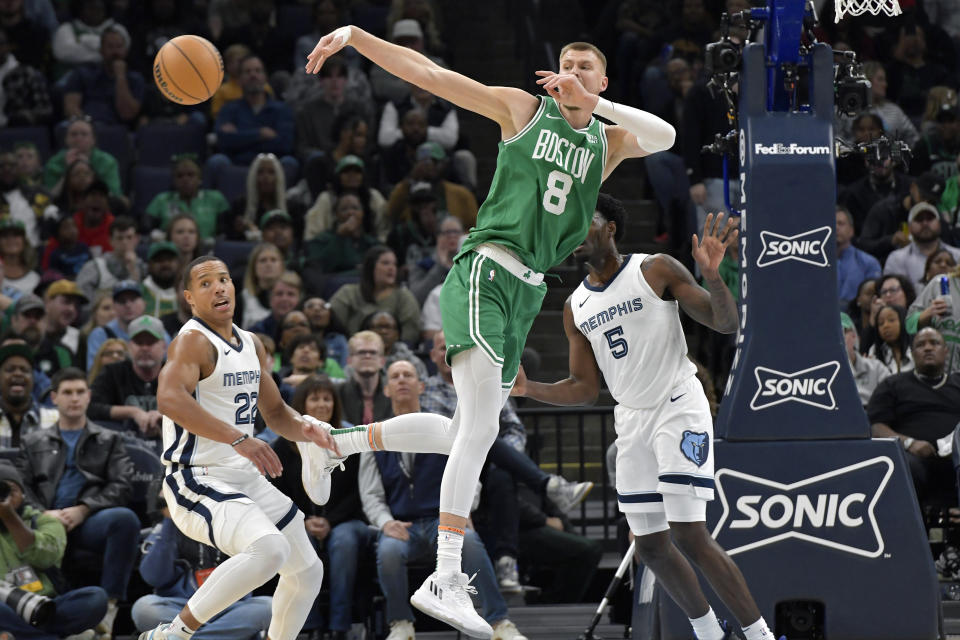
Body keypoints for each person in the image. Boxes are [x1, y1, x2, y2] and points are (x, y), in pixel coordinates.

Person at [306, 26, 673, 635]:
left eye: (585, 67)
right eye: (565, 64)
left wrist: (592, 103)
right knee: (478, 428)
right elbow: (431, 75)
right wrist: (355, 37)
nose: (572, 72)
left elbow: (666, 136)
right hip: (486, 269)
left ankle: (336, 444)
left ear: (604, 83)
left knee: (462, 434)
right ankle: (446, 575)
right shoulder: (524, 109)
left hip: (528, 289)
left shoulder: (608, 144)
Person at [513, 194, 781, 640]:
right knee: (652, 547)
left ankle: (759, 636)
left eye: (584, 223)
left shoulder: (654, 269)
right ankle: (710, 634)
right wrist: (528, 389)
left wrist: (713, 278)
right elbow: (583, 388)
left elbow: (725, 322)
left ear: (610, 228)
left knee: (689, 533)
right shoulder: (574, 306)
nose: (574, 234)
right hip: (632, 419)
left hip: (677, 404)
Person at [139, 255, 340, 640]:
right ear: (189, 298)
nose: (219, 287)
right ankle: (172, 635)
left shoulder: (251, 344)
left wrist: (307, 431)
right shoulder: (192, 342)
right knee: (270, 549)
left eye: (224, 279)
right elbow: (169, 399)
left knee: (308, 570)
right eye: (206, 283)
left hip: (241, 476)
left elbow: (277, 413)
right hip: (195, 478)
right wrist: (238, 438)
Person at [359, 360, 528, 640]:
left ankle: (499, 622)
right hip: (404, 525)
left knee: (471, 541)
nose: (402, 380)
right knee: (388, 551)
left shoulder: (445, 428)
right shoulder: (373, 435)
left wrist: (463, 511)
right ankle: (401, 623)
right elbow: (370, 493)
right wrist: (385, 522)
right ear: (386, 390)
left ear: (421, 386)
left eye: (408, 375)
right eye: (395, 376)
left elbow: (469, 472)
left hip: (443, 520)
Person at [17, 367, 140, 639]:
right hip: (44, 519)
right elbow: (21, 487)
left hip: (89, 519)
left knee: (125, 519)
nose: (74, 398)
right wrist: (44, 513)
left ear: (89, 396)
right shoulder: (33, 440)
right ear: (54, 398)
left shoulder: (110, 439)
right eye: (67, 392)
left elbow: (122, 485)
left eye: (80, 392)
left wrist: (84, 509)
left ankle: (108, 609)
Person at [271, 375, 374, 640]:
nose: (321, 404)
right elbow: (276, 493)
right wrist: (303, 521)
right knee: (296, 536)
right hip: (299, 521)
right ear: (301, 403)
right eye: (314, 398)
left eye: (327, 398)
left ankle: (341, 625)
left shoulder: (349, 441)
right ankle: (310, 623)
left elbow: (358, 493)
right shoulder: (283, 445)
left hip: (346, 521)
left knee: (344, 540)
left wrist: (332, 521)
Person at [133, 495, 272, 640]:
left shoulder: (234, 523)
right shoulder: (168, 526)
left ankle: (177, 636)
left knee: (269, 606)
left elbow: (251, 574)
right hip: (180, 608)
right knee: (143, 608)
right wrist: (170, 519)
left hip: (228, 607)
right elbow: (154, 577)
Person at [0, 460, 109, 640]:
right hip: (4, 608)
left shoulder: (45, 521)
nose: (5, 497)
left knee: (95, 598)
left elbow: (45, 558)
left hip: (45, 607)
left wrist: (10, 517)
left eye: (9, 490)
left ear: (23, 493)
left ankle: (21, 635)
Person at [868, 327, 960, 509]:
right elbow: (876, 427)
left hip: (956, 458)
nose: (928, 348)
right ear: (912, 352)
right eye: (920, 344)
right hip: (913, 460)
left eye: (934, 343)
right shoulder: (892, 384)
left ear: (945, 350)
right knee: (902, 467)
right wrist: (909, 443)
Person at [88, 315, 167, 443]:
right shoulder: (113, 372)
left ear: (164, 346)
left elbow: (196, 409)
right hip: (122, 448)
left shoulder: (177, 373)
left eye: (151, 342)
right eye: (139, 342)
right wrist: (133, 412)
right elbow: (90, 407)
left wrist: (167, 418)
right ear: (130, 347)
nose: (144, 348)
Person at [328, 246, 421, 342]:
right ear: (371, 266)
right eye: (385, 263)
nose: (391, 268)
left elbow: (410, 332)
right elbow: (332, 323)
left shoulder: (403, 296)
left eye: (394, 264)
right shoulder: (348, 292)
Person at [86, 280, 171, 371]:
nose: (128, 305)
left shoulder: (159, 332)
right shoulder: (100, 334)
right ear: (114, 306)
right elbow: (93, 372)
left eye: (133, 299)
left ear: (144, 303)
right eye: (122, 301)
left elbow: (171, 367)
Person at [883, 201, 960, 291]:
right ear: (910, 226)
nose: (925, 223)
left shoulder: (958, 255)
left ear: (939, 223)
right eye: (919, 219)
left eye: (930, 219)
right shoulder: (896, 259)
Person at [840, 312, 891, 406]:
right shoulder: (819, 374)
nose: (839, 338)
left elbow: (892, 397)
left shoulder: (876, 368)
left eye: (843, 331)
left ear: (854, 336)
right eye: (834, 334)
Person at [836, 204, 881, 308]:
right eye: (831, 223)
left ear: (852, 230)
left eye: (841, 223)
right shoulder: (814, 263)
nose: (836, 227)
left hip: (857, 318)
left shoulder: (869, 263)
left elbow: (873, 299)